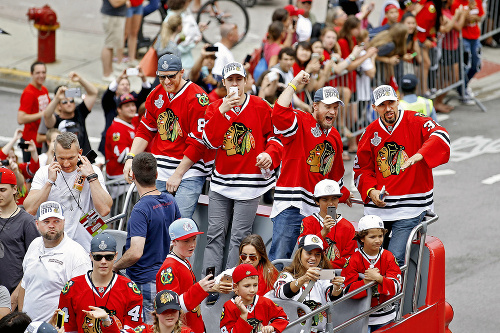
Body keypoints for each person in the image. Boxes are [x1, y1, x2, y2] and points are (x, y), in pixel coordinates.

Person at [353, 85, 450, 266]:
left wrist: (420, 154)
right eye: (382, 105)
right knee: (367, 258)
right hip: (378, 210)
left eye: (391, 102)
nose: (388, 108)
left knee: (394, 259)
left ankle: (389, 292)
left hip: (410, 208)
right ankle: (375, 293)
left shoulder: (417, 121)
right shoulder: (369, 133)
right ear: (374, 107)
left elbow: (441, 135)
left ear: (398, 100)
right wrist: (370, 191)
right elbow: (361, 170)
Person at [201, 62, 282, 275]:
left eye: (239, 79)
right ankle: (209, 285)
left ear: (246, 81)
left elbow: (275, 138)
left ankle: (231, 283)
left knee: (239, 237)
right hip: (220, 183)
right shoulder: (214, 107)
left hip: (249, 184)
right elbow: (209, 142)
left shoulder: (261, 105)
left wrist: (269, 154)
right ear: (224, 83)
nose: (235, 84)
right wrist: (222, 112)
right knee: (214, 235)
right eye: (231, 80)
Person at [269, 71, 351, 261]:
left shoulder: (335, 137)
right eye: (327, 106)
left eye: (335, 108)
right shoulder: (300, 119)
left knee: (311, 263)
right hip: (292, 205)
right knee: (283, 259)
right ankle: (276, 291)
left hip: (317, 213)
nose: (332, 112)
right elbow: (279, 114)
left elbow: (335, 180)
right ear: (315, 106)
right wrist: (294, 83)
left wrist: (333, 211)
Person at [123, 54, 213, 219]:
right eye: (162, 77)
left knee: (178, 224)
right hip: (160, 169)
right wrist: (130, 157)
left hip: (189, 171)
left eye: (171, 76)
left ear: (182, 72)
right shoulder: (155, 94)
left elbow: (199, 143)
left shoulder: (197, 98)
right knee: (152, 222)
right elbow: (145, 130)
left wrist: (178, 174)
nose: (166, 81)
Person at [113, 152, 181, 323]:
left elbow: (135, 252)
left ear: (133, 176)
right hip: (168, 277)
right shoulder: (170, 201)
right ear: (156, 175)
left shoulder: (140, 209)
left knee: (148, 327)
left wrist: (115, 266)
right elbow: (179, 238)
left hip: (145, 281)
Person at [24, 132, 112, 250]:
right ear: (55, 154)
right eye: (61, 158)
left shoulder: (92, 171)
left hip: (85, 247)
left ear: (80, 153)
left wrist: (91, 177)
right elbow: (29, 209)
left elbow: (105, 209)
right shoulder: (44, 172)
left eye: (71, 158)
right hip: (53, 246)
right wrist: (49, 182)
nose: (66, 163)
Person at [19, 201, 91, 321]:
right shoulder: (34, 245)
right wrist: (22, 320)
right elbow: (25, 285)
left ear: (64, 222)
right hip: (29, 327)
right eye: (46, 222)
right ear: (37, 224)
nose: (51, 225)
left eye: (56, 221)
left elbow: (83, 301)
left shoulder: (77, 254)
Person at [58, 233, 144, 333]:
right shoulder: (71, 287)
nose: (103, 261)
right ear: (90, 256)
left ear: (116, 256)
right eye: (98, 257)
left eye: (109, 257)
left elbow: (134, 329)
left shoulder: (130, 289)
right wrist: (57, 326)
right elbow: (61, 325)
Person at [341, 215, 402, 332]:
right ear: (362, 238)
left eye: (380, 236)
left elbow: (397, 286)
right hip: (361, 317)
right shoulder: (353, 260)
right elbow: (346, 291)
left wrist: (379, 279)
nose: (378, 240)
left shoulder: (389, 257)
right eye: (372, 237)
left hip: (386, 317)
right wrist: (365, 282)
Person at [273, 234, 345, 332]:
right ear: (299, 253)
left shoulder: (323, 277)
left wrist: (337, 287)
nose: (313, 258)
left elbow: (333, 297)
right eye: (309, 253)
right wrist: (303, 278)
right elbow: (281, 293)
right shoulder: (287, 275)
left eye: (317, 254)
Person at [156, 218, 215, 333]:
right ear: (174, 241)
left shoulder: (183, 260)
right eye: (186, 241)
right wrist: (199, 289)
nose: (192, 245)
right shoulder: (169, 269)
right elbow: (170, 308)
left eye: (194, 239)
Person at [0, 168, 40, 308]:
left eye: (2, 190)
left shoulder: (26, 222)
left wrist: (17, 295)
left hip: (14, 293)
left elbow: (34, 262)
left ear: (14, 189)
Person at [298, 179, 357, 269]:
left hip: (337, 274)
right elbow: (303, 249)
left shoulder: (348, 226)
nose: (330, 203)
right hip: (311, 272)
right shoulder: (308, 222)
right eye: (325, 200)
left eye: (334, 198)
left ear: (338, 200)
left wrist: (327, 267)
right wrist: (323, 232)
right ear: (317, 201)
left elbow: (350, 257)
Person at [82, 290, 194, 333]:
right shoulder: (144, 331)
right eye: (165, 311)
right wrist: (106, 319)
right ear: (156, 313)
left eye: (173, 311)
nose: (169, 314)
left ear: (179, 312)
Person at [220, 264, 289, 333]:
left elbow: (283, 318)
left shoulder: (265, 302)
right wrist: (243, 315)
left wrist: (272, 326)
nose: (252, 290)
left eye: (255, 285)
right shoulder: (229, 306)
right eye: (247, 286)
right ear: (235, 287)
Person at [42, 72, 98, 155]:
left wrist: (80, 80)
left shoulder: (79, 112)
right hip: (65, 161)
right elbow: (47, 115)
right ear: (59, 106)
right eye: (64, 102)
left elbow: (93, 93)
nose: (69, 103)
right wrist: (57, 98)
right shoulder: (56, 120)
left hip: (84, 159)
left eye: (71, 101)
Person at [99, 68, 151, 156]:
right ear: (119, 109)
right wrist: (119, 77)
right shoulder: (110, 103)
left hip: (130, 146)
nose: (131, 109)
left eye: (127, 84)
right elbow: (108, 94)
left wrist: (143, 78)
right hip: (112, 144)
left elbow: (146, 93)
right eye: (122, 84)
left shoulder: (134, 99)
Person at [213, 234, 279, 296]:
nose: (247, 260)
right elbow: (206, 286)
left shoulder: (270, 273)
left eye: (252, 257)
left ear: (260, 256)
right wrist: (217, 287)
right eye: (243, 256)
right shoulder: (232, 272)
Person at [105, 93, 140, 198]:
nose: (131, 108)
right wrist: (141, 151)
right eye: (127, 106)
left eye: (133, 105)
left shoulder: (130, 122)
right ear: (119, 110)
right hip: (120, 185)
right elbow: (122, 157)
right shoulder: (117, 129)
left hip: (128, 182)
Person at [451, 0, 484, 104]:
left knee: (476, 65)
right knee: (465, 66)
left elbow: (480, 17)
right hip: (463, 38)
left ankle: (463, 86)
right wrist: (466, 15)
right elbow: (456, 24)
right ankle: (462, 90)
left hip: (475, 38)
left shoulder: (477, 1)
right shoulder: (456, 3)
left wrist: (475, 18)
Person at [17, 61, 49, 162]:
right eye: (38, 73)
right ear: (31, 74)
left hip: (41, 141)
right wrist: (43, 114)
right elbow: (20, 118)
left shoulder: (44, 89)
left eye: (43, 72)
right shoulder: (29, 93)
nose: (41, 75)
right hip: (31, 143)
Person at [0, 129, 40, 204]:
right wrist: (14, 139)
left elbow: (34, 169)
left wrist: (34, 151)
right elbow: (1, 155)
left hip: (23, 207)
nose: (11, 160)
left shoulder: (19, 167)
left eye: (13, 157)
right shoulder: (1, 173)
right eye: (8, 158)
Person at [101, 0, 127, 81]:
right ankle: (106, 74)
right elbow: (115, 3)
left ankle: (110, 71)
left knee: (111, 46)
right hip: (112, 16)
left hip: (116, 16)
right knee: (108, 45)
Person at [124, 0, 144, 66]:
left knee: (134, 33)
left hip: (138, 4)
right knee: (125, 33)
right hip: (128, 5)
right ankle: (119, 57)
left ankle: (131, 58)